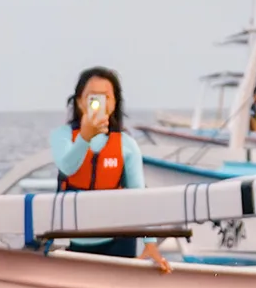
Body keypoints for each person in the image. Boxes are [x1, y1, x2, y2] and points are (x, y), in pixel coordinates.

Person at [48, 65, 169, 270]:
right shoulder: (62, 136)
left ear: (114, 103)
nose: (98, 102)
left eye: (105, 97)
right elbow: (68, 167)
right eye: (92, 97)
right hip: (71, 241)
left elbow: (139, 196)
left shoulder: (126, 145)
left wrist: (150, 243)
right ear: (79, 101)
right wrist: (85, 137)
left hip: (118, 240)